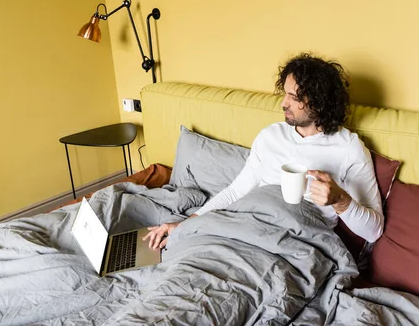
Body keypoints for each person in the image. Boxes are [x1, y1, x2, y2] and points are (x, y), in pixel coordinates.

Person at [143, 53, 383, 249]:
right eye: (285, 93)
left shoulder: (348, 149)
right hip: (247, 229)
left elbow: (373, 231)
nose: (283, 103)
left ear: (319, 102)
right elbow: (236, 191)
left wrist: (341, 201)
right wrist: (186, 224)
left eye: (294, 96)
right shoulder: (271, 136)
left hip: (295, 241)